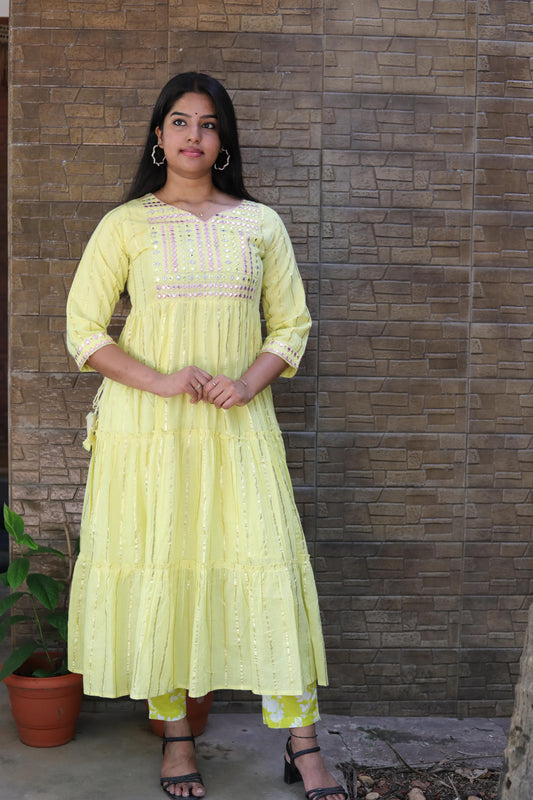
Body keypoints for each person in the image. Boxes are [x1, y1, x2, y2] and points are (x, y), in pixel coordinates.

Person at [66, 72, 347, 800]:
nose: (194, 135)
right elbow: (83, 330)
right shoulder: (125, 225)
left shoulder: (260, 224)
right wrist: (159, 380)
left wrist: (248, 381)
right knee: (162, 568)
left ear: (223, 143)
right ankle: (178, 738)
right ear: (158, 136)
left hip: (236, 426)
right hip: (148, 432)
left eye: (209, 124)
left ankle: (303, 742)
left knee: (265, 565)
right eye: (180, 122)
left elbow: (290, 326)